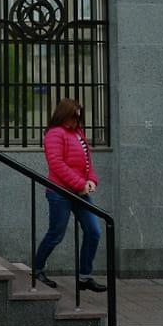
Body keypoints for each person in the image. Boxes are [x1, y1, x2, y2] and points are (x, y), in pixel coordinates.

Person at [33, 98, 106, 293]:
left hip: (80, 192)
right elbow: (57, 164)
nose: (76, 121)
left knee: (94, 231)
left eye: (78, 117)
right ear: (64, 114)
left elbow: (88, 162)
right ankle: (37, 270)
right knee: (56, 234)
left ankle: (84, 277)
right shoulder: (54, 134)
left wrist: (91, 180)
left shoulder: (78, 133)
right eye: (73, 117)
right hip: (59, 193)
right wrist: (80, 184)